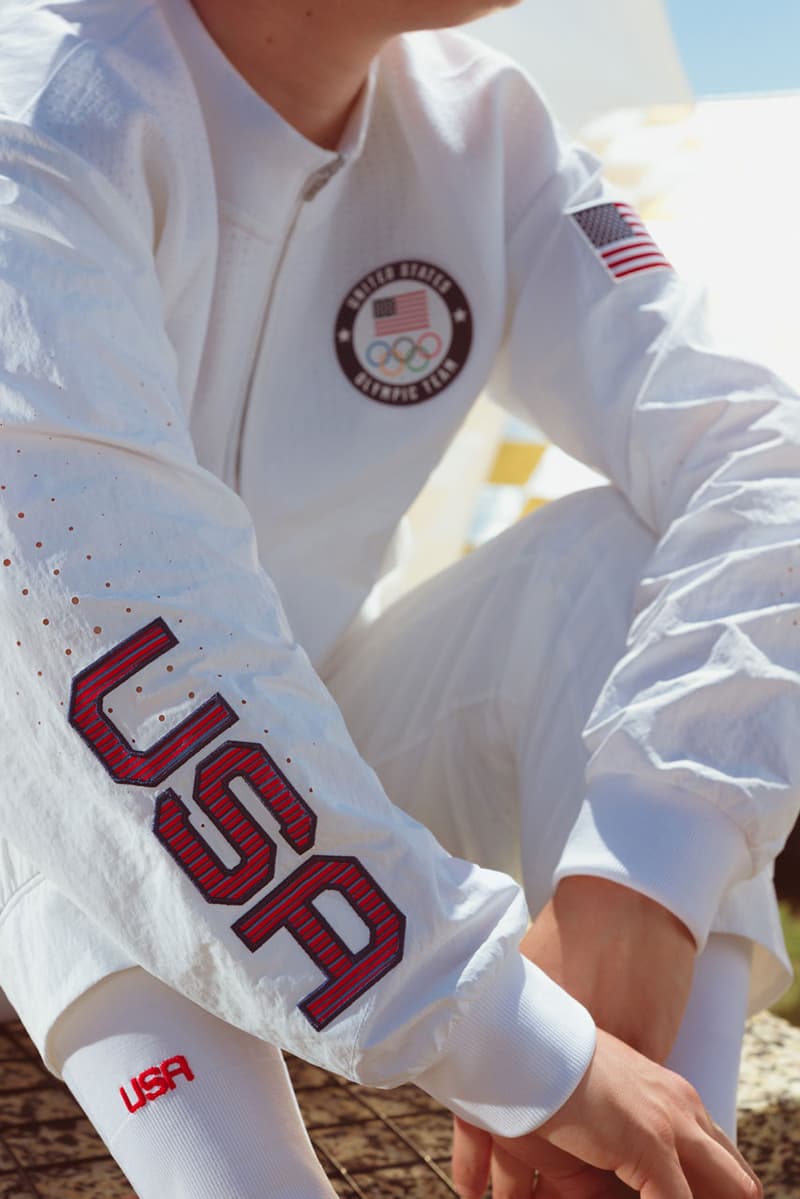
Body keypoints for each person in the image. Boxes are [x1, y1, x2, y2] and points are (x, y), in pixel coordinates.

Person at [0, 0, 796, 1195]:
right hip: (46, 807)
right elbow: (102, 637)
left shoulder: (483, 125)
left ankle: (662, 1164)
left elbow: (760, 455)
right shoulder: (39, 107)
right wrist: (508, 1036)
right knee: (67, 673)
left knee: (617, 556)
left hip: (306, 758)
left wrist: (637, 881)